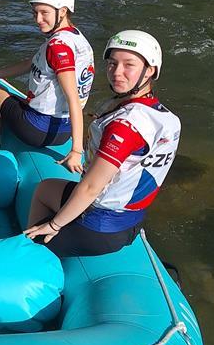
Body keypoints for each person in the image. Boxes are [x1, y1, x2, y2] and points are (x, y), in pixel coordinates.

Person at [24, 31, 181, 258]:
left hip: (100, 227)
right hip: (131, 219)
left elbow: (91, 188)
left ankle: (35, 256)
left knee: (31, 246)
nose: (117, 72)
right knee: (45, 188)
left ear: (150, 70)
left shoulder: (125, 125)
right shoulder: (165, 117)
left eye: (129, 65)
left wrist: (54, 225)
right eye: (112, 63)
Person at [0, 0, 94, 173]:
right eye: (35, 13)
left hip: (38, 129)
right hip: (63, 131)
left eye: (44, 12)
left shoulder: (57, 46)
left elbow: (73, 99)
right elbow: (31, 63)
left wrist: (76, 150)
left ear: (62, 11)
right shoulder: (76, 38)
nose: (38, 19)